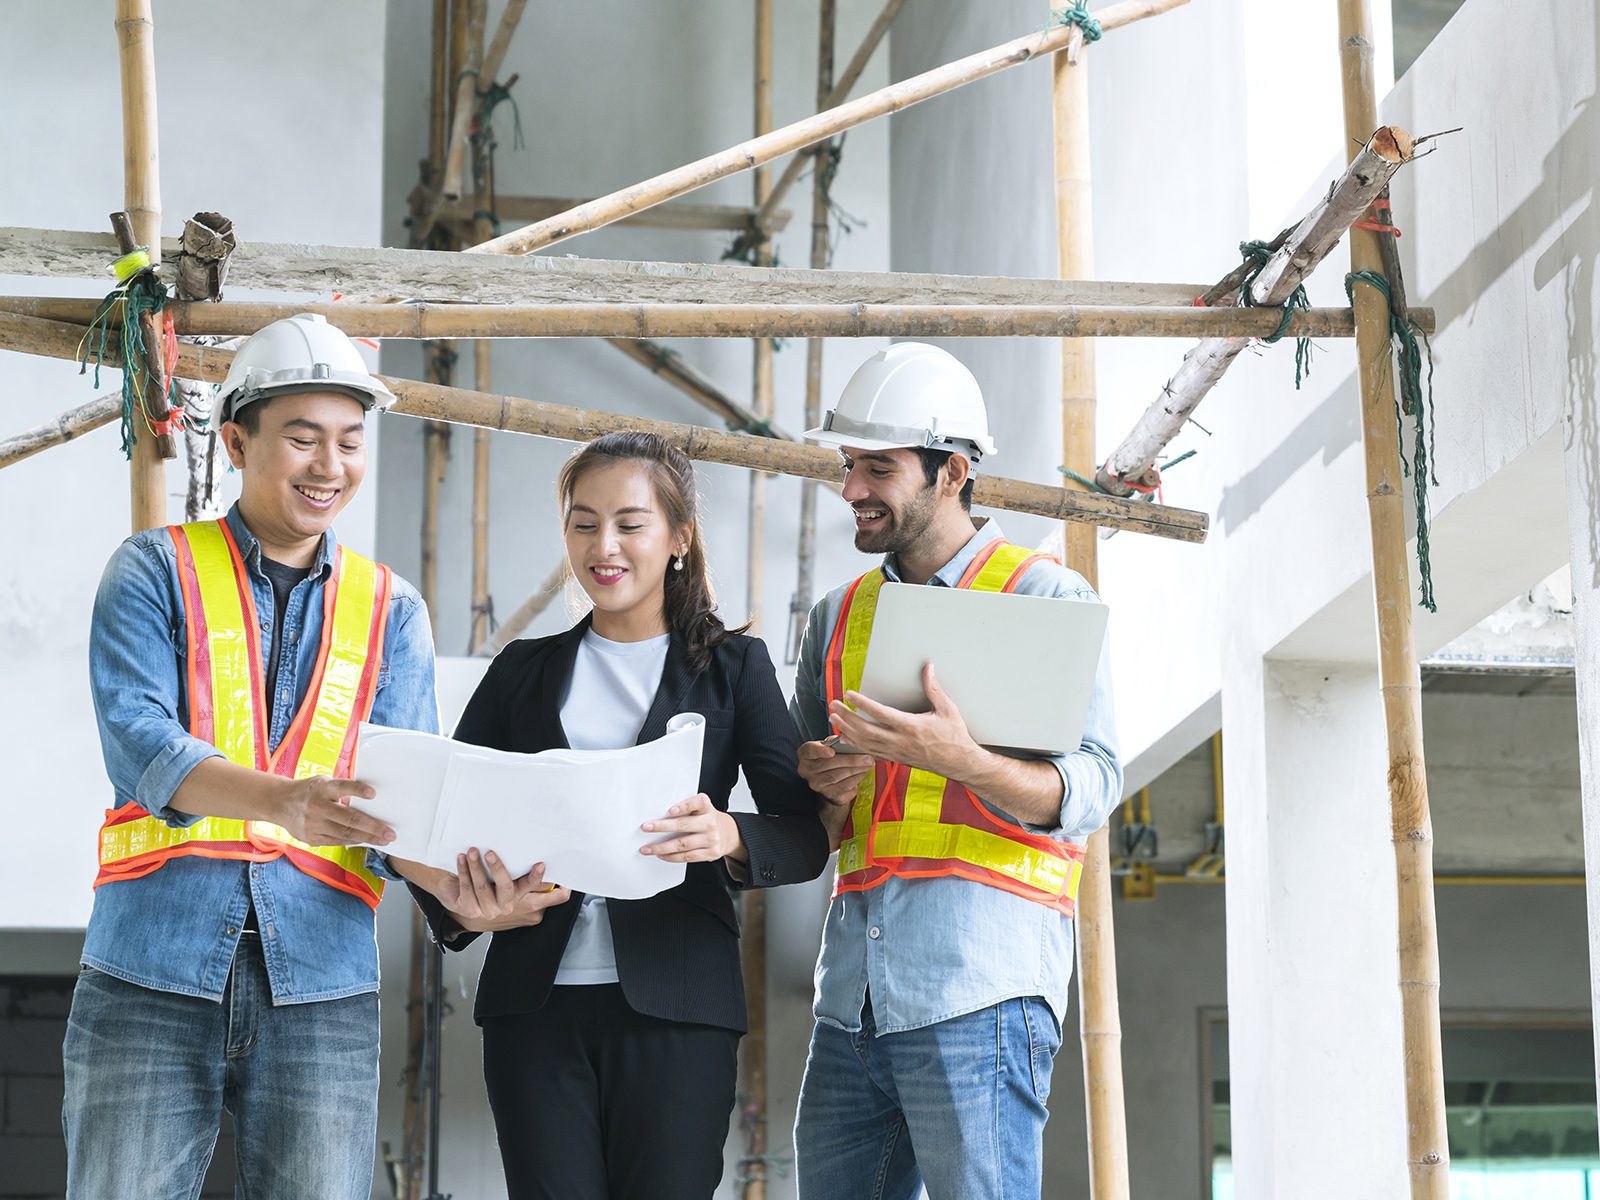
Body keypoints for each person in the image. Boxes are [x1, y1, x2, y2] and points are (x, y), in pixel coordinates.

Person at [63, 313, 438, 1200]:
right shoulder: (153, 571)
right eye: (302, 438)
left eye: (350, 441)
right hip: (148, 966)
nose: (329, 465)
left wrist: (467, 896)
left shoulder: (393, 611)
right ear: (236, 440)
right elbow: (142, 744)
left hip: (323, 981)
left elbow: (407, 806)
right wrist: (288, 802)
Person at [404, 430, 830, 1200]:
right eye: (584, 522)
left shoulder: (736, 668)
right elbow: (446, 819)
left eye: (630, 524)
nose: (605, 545)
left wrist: (729, 834)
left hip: (680, 1004)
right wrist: (465, 906)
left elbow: (803, 836)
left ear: (678, 537)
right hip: (534, 1007)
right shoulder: (521, 672)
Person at [788, 343, 1123, 1200]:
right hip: (852, 999)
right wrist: (825, 794)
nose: (853, 487)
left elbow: (1089, 789)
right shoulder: (836, 617)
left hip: (983, 989)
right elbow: (823, 834)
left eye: (880, 467)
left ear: (953, 473)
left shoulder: (1045, 597)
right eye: (849, 463)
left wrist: (961, 760)